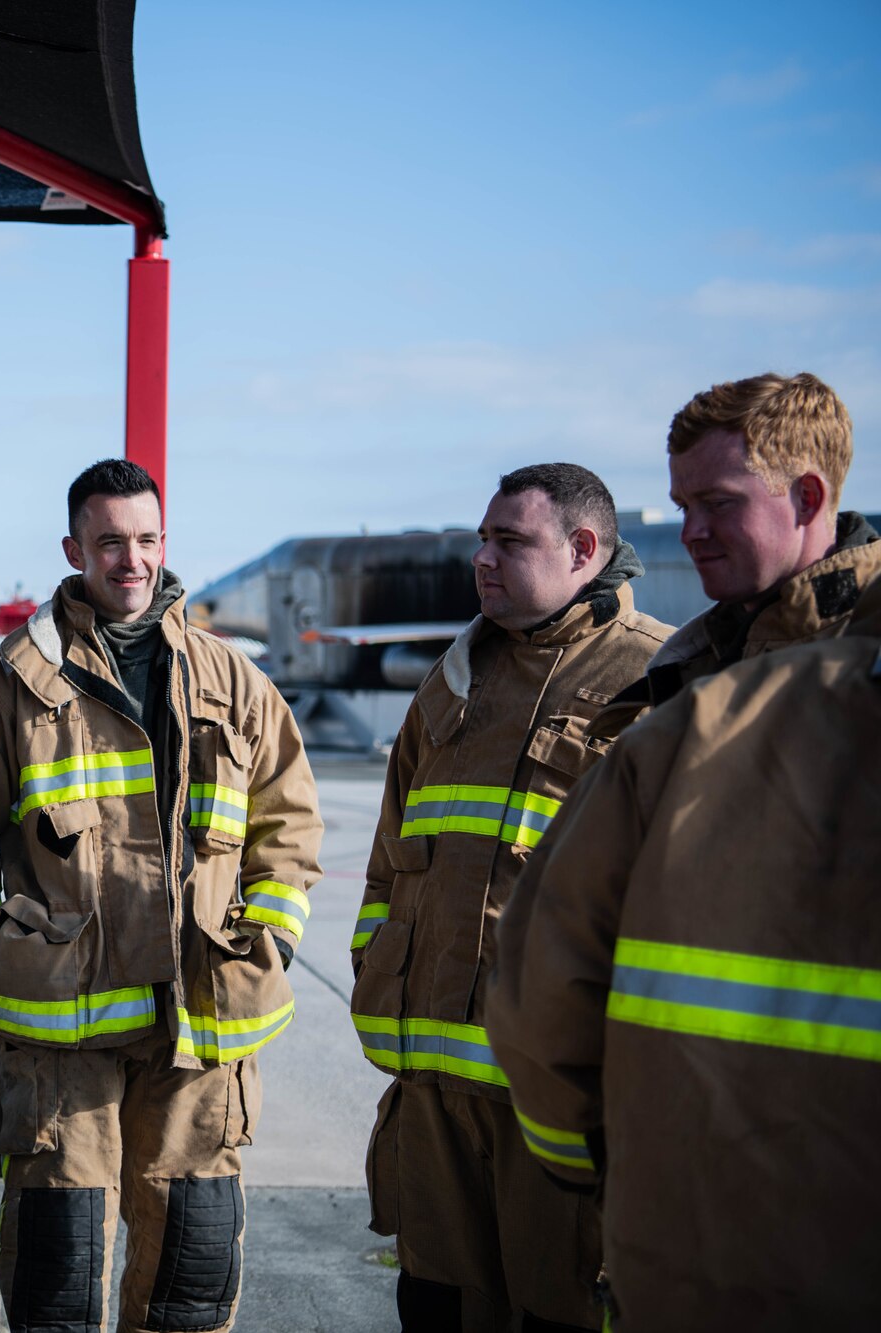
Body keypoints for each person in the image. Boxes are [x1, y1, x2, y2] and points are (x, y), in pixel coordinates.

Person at [0, 459, 322, 1333]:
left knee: (191, 1255)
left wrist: (272, 940)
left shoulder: (231, 678)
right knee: (58, 1263)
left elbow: (289, 819)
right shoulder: (15, 681)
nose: (130, 559)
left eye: (145, 539)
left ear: (164, 544)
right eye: (109, 542)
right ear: (74, 550)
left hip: (202, 1014)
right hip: (63, 1029)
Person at [485, 579, 881, 1331]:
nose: (691, 529)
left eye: (716, 500)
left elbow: (543, 978)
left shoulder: (688, 698)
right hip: (667, 1223)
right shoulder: (678, 687)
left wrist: (593, 1163)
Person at [349, 464, 671, 1332]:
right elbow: (387, 865)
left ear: (582, 549)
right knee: (438, 1309)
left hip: (559, 1113)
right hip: (434, 1104)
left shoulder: (659, 684)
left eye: (510, 541)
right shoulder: (451, 683)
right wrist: (378, 970)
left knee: (559, 1311)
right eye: (481, 540)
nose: (483, 559)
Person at [600, 371, 873, 730]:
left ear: (807, 499)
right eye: (684, 507)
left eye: (718, 503)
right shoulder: (687, 665)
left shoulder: (866, 645)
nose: (690, 534)